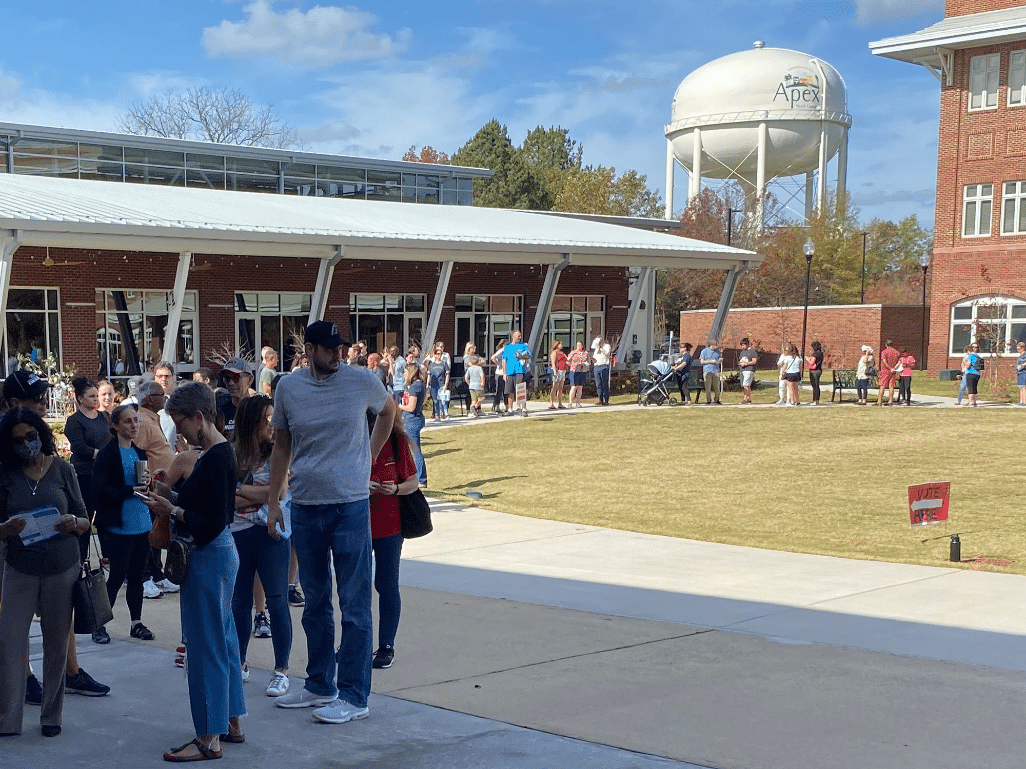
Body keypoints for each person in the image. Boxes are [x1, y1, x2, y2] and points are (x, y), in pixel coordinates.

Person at [267, 320, 397, 725]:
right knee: (315, 601)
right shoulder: (288, 387)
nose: (337, 354)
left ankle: (355, 696)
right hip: (306, 504)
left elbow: (388, 411)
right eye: (327, 348)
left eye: (340, 347)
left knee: (355, 603)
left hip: (350, 506)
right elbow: (282, 445)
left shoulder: (361, 381)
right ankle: (320, 683)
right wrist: (274, 500)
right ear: (309, 350)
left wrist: (369, 455)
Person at [142, 382, 246, 761]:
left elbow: (212, 521)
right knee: (223, 639)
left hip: (207, 554)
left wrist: (172, 510)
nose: (179, 432)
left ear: (199, 416)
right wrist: (168, 497)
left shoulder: (215, 457)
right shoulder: (216, 453)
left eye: (180, 421)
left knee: (205, 647)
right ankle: (230, 721)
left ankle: (208, 737)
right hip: (216, 554)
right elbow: (206, 507)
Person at [2, 371, 109, 702]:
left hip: (55, 553)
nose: (44, 403)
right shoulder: (7, 444)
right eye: (37, 399)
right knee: (13, 623)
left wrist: (74, 523)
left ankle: (70, 672)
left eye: (44, 397)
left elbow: (77, 507)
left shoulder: (50, 454)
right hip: (13, 555)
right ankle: (24, 678)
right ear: (15, 402)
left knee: (60, 616)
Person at [0, 407, 91, 737]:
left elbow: (85, 519)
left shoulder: (63, 470)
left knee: (56, 645)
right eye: (18, 440)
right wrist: (5, 529)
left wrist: (74, 523)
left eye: (31, 436)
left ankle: (52, 716)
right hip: (20, 568)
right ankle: (8, 720)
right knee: (10, 644)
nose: (26, 444)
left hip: (61, 567)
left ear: (41, 433)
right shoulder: (6, 475)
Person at [230, 394, 293, 698]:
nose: (271, 424)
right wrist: (261, 493)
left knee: (277, 600)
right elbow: (225, 499)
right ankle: (239, 663)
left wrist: (241, 490)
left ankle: (281, 670)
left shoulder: (278, 452)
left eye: (273, 417)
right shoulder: (232, 454)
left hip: (271, 533)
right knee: (239, 602)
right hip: (237, 533)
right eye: (266, 418)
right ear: (250, 421)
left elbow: (279, 493)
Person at [91, 404, 155, 645]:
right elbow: (99, 491)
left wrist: (150, 483)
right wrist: (129, 490)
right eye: (128, 421)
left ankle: (136, 622)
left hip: (141, 521)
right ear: (116, 425)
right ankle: (99, 624)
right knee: (117, 576)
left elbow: (143, 487)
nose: (134, 425)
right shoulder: (107, 454)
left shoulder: (139, 453)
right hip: (119, 524)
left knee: (138, 576)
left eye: (136, 420)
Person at [368, 409, 419, 670]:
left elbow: (413, 481)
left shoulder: (397, 442)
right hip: (358, 524)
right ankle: (355, 642)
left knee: (386, 584)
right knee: (355, 586)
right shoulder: (353, 439)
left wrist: (396, 488)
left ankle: (386, 645)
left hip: (390, 525)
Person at [64, 377, 112, 563]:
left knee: (105, 516)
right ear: (80, 399)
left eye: (96, 396)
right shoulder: (74, 421)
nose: (96, 399)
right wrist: (103, 455)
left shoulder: (104, 417)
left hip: (105, 475)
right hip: (85, 475)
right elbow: (79, 448)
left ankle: (108, 555)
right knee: (85, 516)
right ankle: (81, 559)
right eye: (91, 396)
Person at [502, 330, 532, 415]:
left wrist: (522, 356)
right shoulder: (507, 347)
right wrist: (504, 373)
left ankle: (523, 409)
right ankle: (510, 409)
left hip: (520, 371)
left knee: (521, 390)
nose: (519, 337)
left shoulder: (523, 346)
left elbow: (529, 356)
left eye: (520, 336)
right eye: (518, 336)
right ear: (513, 336)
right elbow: (504, 361)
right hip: (510, 372)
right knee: (510, 391)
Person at [425, 343, 451, 422]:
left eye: (440, 354)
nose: (439, 355)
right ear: (435, 355)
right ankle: (437, 415)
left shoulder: (444, 363)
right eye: (438, 354)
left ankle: (444, 414)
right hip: (433, 384)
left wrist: (446, 384)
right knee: (435, 400)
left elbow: (447, 374)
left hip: (441, 383)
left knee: (442, 400)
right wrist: (427, 384)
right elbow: (429, 375)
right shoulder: (431, 365)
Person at [876, 339, 900, 406]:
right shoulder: (896, 352)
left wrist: (889, 368)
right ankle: (890, 401)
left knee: (882, 386)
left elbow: (884, 361)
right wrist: (894, 369)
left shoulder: (884, 352)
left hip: (885, 371)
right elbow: (899, 361)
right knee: (891, 386)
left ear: (886, 345)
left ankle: (879, 401)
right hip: (893, 371)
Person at [566, 340, 589, 409]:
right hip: (574, 371)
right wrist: (573, 364)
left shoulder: (585, 353)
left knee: (580, 387)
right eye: (577, 345)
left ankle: (578, 402)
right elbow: (567, 360)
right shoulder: (573, 352)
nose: (578, 346)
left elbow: (586, 360)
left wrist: (582, 363)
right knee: (573, 387)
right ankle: (570, 402)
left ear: (582, 346)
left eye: (580, 345)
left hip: (582, 371)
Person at [699, 340, 723, 405]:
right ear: (711, 345)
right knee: (708, 387)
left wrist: (719, 361)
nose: (716, 347)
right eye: (715, 345)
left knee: (717, 386)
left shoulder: (717, 351)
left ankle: (717, 399)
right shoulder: (704, 351)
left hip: (715, 371)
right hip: (707, 370)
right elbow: (701, 361)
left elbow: (718, 359)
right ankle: (709, 400)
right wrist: (710, 361)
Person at [591, 336, 612, 406]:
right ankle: (600, 399)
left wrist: (600, 348)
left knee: (604, 383)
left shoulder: (607, 346)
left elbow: (607, 353)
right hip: (597, 366)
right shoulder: (596, 349)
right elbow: (595, 357)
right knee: (598, 384)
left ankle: (606, 400)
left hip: (604, 366)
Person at [738, 339, 757, 405]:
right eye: (742, 345)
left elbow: (754, 361)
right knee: (746, 385)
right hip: (742, 370)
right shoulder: (742, 352)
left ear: (747, 344)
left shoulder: (752, 351)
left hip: (749, 370)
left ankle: (745, 399)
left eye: (744, 345)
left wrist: (747, 363)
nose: (742, 347)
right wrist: (741, 363)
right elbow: (740, 360)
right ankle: (748, 399)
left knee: (745, 384)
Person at [964, 343, 984, 407]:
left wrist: (964, 361)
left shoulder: (970, 356)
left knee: (970, 388)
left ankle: (970, 402)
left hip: (970, 373)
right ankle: (974, 402)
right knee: (974, 388)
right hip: (977, 373)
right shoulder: (977, 356)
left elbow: (968, 365)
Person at [490, 340, 506, 414]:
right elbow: (493, 357)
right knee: (499, 390)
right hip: (499, 373)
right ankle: (497, 406)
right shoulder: (501, 350)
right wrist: (498, 363)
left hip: (505, 373)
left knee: (505, 391)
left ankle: (506, 406)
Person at [806, 341, 824, 406]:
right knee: (817, 385)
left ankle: (815, 400)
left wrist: (807, 359)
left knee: (814, 385)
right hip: (819, 370)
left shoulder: (815, 354)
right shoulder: (821, 353)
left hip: (814, 371)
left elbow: (811, 362)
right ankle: (817, 400)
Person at [1016, 342, 1026, 407]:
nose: (1018, 350)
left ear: (1022, 348)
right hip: (1019, 373)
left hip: (1024, 372)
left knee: (1023, 387)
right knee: (1020, 387)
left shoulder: (1025, 355)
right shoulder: (1020, 356)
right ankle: (1021, 401)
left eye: (1019, 349)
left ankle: (1024, 402)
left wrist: (1022, 365)